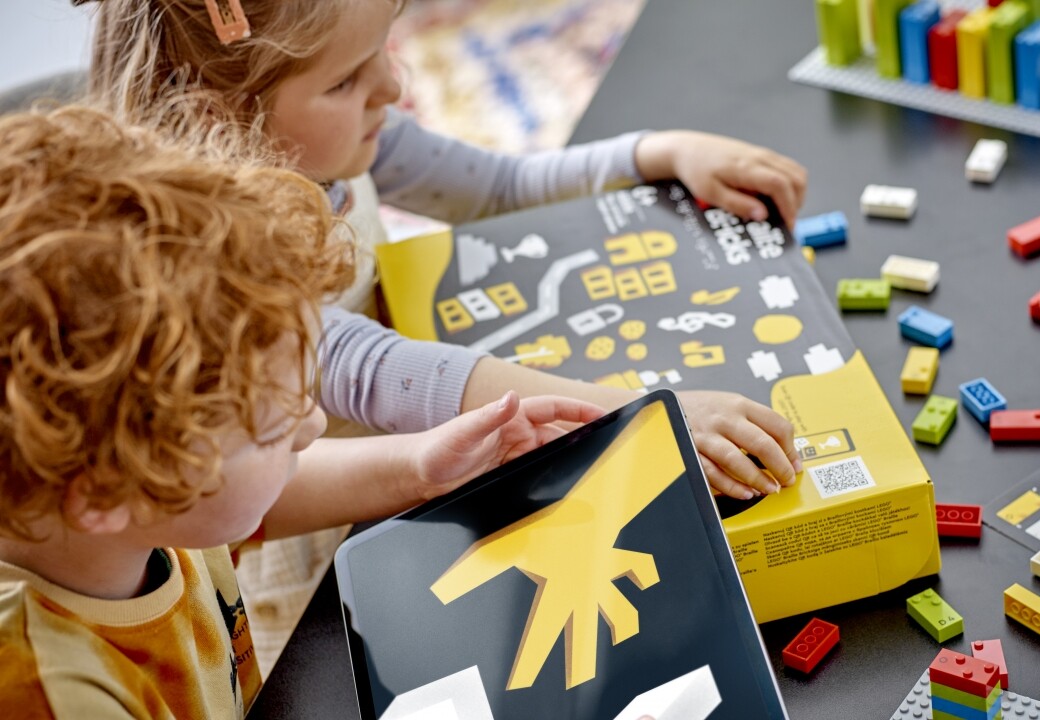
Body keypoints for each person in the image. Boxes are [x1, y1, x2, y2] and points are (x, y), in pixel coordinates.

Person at [0, 105, 604, 718]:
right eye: (270, 429)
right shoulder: (53, 692)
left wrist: (419, 467)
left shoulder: (132, 499)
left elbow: (257, 503)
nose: (312, 424)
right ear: (106, 494)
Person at [79, 0, 811, 501]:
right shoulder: (212, 261)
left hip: (422, 442)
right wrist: (645, 412)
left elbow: (496, 186)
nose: (393, 87)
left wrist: (659, 151)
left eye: (384, 50)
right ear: (220, 122)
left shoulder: (339, 137)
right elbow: (378, 372)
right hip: (321, 500)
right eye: (345, 80)